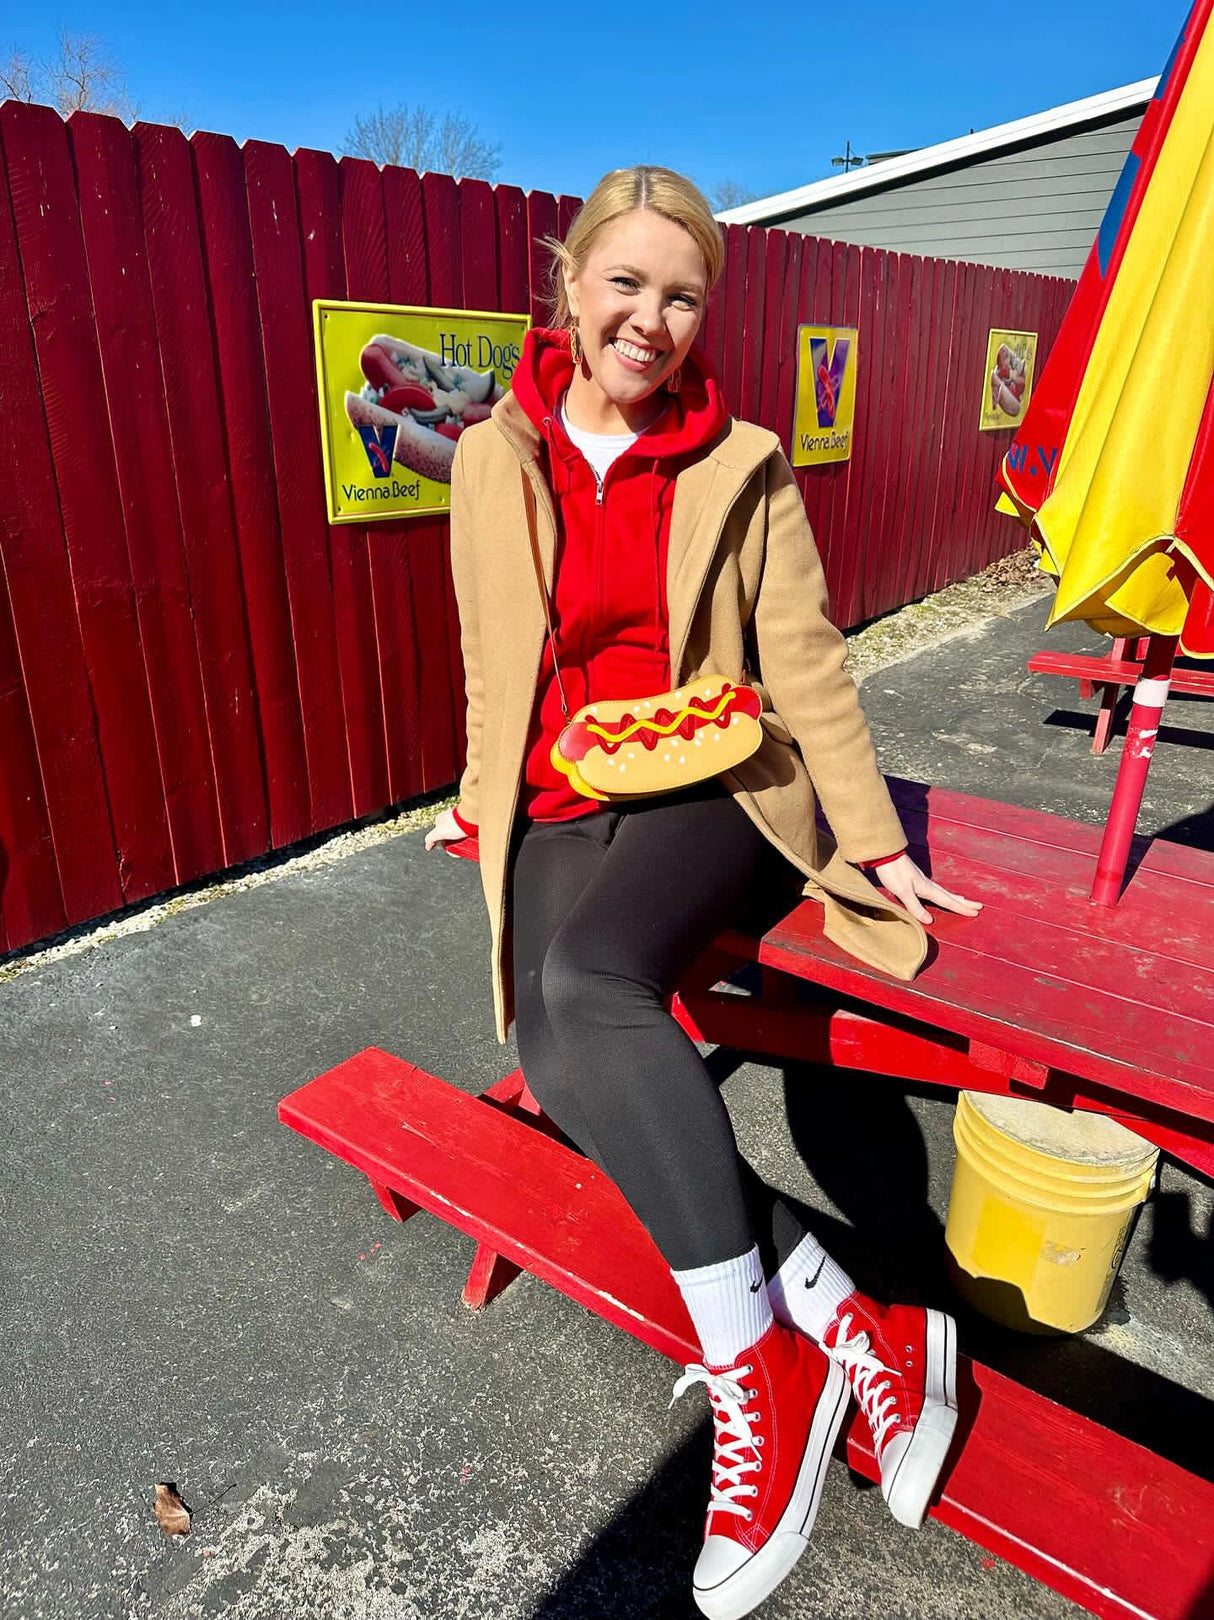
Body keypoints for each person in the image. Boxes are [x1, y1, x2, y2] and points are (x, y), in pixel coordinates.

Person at [425, 165, 983, 1620]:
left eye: (681, 297)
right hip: (565, 782)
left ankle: (758, 1373)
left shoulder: (741, 458)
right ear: (568, 283)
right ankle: (861, 1329)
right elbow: (494, 652)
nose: (650, 319)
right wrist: (481, 797)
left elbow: (805, 658)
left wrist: (871, 839)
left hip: (715, 772)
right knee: (558, 1051)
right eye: (626, 283)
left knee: (591, 986)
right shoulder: (490, 457)